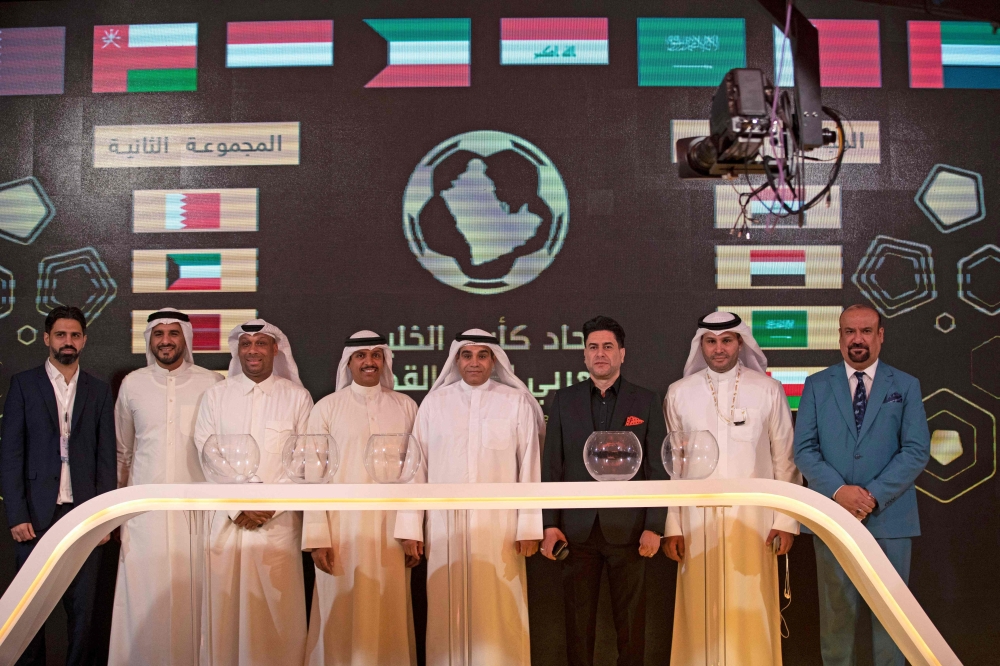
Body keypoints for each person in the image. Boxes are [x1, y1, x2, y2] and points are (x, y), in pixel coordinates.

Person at [394, 329, 544, 665]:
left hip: (501, 531)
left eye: (482, 355)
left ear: (494, 361)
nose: (474, 362)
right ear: (456, 360)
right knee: (448, 613)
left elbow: (529, 467)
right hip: (446, 530)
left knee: (501, 611)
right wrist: (410, 528)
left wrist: (529, 528)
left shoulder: (515, 401)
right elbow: (416, 468)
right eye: (466, 355)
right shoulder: (435, 404)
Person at [661, 311, 801, 665]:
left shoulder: (768, 389)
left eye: (726, 340)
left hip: (755, 523)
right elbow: (673, 467)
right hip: (696, 523)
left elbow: (785, 458)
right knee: (699, 608)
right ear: (701, 345)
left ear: (740, 342)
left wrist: (786, 521)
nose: (718, 349)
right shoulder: (679, 394)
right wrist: (673, 526)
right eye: (711, 341)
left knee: (752, 605)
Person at [794, 304, 930, 666]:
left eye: (866, 331)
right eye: (849, 331)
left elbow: (916, 451)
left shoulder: (905, 385)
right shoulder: (816, 385)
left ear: (880, 336)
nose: (857, 339)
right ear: (839, 337)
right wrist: (840, 493)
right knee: (837, 619)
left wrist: (871, 496)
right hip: (831, 518)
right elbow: (804, 451)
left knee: (892, 621)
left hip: (891, 520)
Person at [540, 315, 669, 666]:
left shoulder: (645, 401)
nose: (601, 354)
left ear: (622, 354)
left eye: (608, 347)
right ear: (584, 355)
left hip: (629, 532)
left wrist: (655, 526)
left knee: (631, 627)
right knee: (577, 628)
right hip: (576, 532)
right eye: (593, 347)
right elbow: (553, 467)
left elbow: (657, 469)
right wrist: (549, 524)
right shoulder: (564, 401)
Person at [0, 306, 116, 666]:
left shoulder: (98, 390)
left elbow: (105, 459)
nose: (69, 341)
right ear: (47, 338)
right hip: (34, 518)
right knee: (31, 613)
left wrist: (104, 520)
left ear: (84, 340)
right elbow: (11, 454)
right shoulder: (24, 384)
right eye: (61, 335)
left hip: (83, 517)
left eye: (75, 335)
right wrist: (16, 514)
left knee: (82, 613)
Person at [193, 319, 313, 666]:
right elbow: (206, 450)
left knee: (277, 613)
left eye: (261, 344)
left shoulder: (297, 398)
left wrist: (268, 508)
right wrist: (238, 505)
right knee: (224, 608)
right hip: (227, 522)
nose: (253, 351)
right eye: (246, 344)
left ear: (275, 350)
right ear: (238, 351)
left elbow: (304, 458)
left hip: (277, 524)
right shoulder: (216, 396)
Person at [108, 308, 223, 665]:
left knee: (199, 593)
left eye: (174, 333)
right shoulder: (133, 383)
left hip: (198, 511)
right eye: (159, 334)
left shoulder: (212, 383)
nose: (166, 341)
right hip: (144, 513)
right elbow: (123, 452)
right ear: (149, 340)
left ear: (186, 338)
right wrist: (117, 515)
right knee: (143, 593)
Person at [301, 331, 418, 665]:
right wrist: (316, 537)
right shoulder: (327, 408)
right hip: (341, 532)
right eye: (361, 356)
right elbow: (313, 474)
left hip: (391, 532)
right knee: (339, 612)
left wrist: (411, 530)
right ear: (348, 363)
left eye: (376, 355)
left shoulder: (406, 406)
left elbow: (415, 473)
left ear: (385, 361)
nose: (369, 362)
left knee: (390, 610)